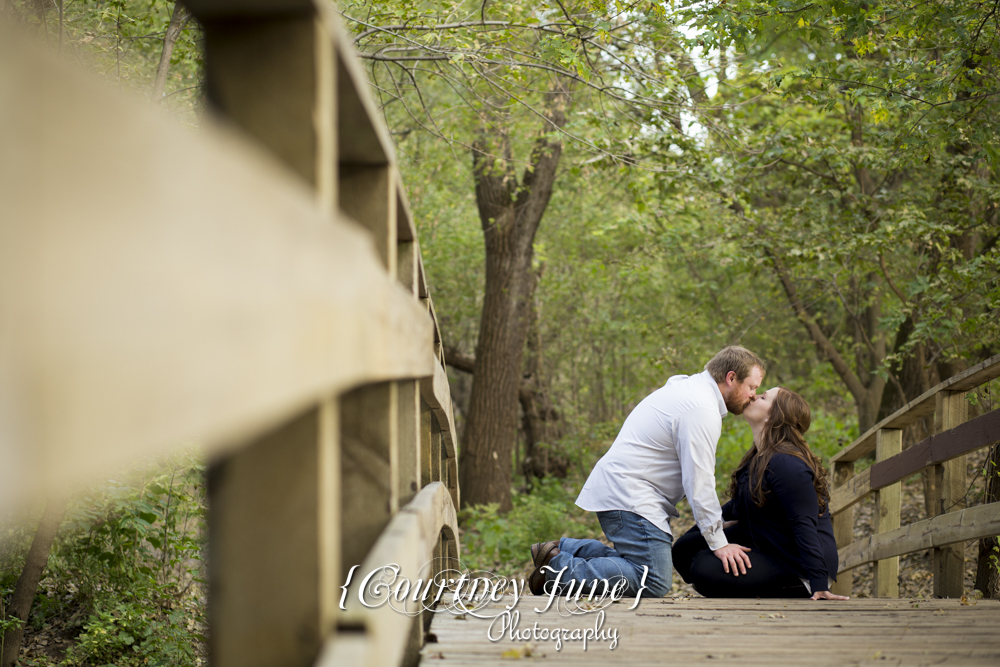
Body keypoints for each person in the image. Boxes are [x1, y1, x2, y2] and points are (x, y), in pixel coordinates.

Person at [527, 346, 765, 597]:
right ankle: (556, 569)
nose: (753, 395)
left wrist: (714, 524)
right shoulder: (701, 409)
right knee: (652, 580)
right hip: (631, 495)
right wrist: (719, 542)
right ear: (731, 378)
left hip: (627, 490)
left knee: (637, 568)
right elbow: (699, 480)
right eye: (752, 387)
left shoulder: (689, 388)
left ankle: (560, 550)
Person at [672, 387, 849, 600]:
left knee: (704, 568)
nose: (754, 396)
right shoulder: (757, 459)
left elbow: (804, 524)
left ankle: (786, 589)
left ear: (774, 417)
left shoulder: (787, 464)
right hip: (765, 544)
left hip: (797, 565)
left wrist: (819, 583)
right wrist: (712, 528)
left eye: (764, 397)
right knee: (684, 548)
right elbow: (735, 507)